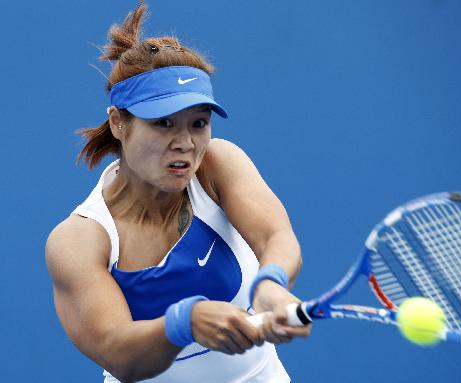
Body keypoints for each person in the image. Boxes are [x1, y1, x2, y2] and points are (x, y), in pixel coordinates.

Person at [45, 1, 310, 382]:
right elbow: (119, 353)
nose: (185, 143)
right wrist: (184, 322)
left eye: (198, 123)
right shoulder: (78, 240)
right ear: (119, 123)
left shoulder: (218, 164)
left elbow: (275, 237)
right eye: (163, 123)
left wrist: (271, 282)